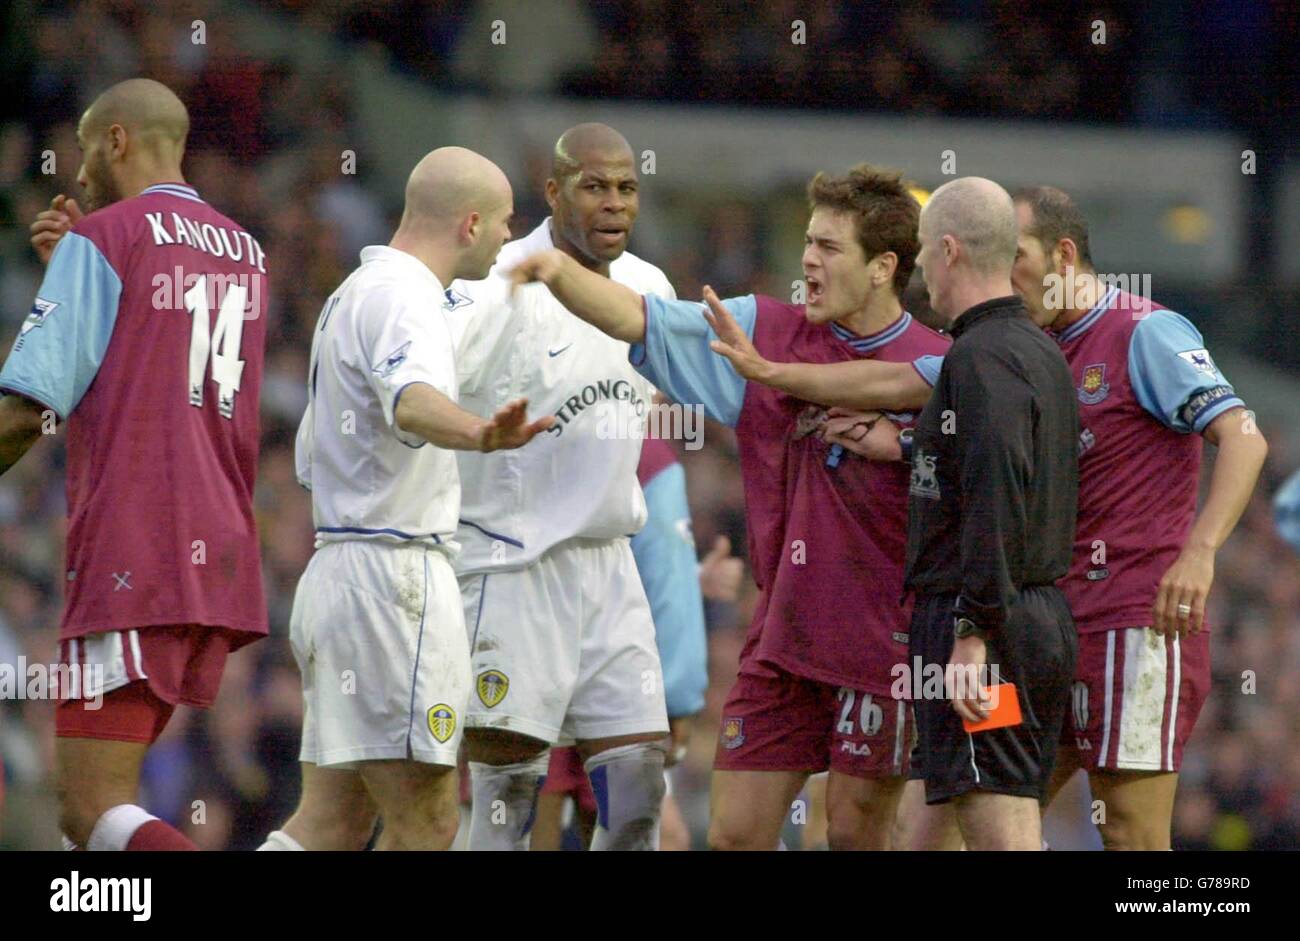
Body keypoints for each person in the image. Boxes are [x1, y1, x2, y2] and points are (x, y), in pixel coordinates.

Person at [707, 183, 1268, 850]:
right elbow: (905, 386)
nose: (1008, 272)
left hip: (1126, 627)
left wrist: (1200, 552)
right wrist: (807, 391)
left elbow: (1245, 435)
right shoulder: (1021, 344)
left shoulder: (1144, 332)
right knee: (944, 819)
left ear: (1062, 254)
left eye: (1019, 255)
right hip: (1034, 632)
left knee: (1127, 830)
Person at [509, 164, 950, 850]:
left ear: (882, 267)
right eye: (808, 241)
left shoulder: (941, 366)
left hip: (884, 646)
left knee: (857, 834)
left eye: (830, 247)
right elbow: (641, 316)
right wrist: (558, 273)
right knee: (736, 835)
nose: (808, 258)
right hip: (782, 641)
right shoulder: (760, 329)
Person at [257, 147, 553, 852]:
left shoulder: (355, 294)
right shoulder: (406, 297)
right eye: (505, 224)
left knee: (332, 822)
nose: (509, 238)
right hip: (394, 586)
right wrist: (480, 433)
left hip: (341, 573)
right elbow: (413, 402)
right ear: (470, 223)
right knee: (429, 821)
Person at [1, 78, 269, 851]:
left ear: (116, 140)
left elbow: (27, 411)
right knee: (90, 837)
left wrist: (84, 264)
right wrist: (77, 277)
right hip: (216, 552)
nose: (79, 177)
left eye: (85, 152)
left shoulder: (108, 239)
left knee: (89, 809)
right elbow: (160, 366)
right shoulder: (245, 251)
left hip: (132, 549)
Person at [443, 124, 677, 851]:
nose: (614, 204)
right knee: (509, 806)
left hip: (609, 568)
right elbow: (422, 389)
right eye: (594, 186)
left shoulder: (650, 286)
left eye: (627, 188)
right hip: (514, 566)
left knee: (638, 795)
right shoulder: (498, 279)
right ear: (553, 190)